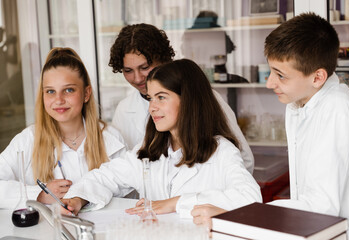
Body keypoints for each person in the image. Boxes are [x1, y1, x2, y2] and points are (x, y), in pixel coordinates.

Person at [191, 12, 349, 227]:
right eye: (271, 71)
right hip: (310, 227)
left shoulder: (336, 109)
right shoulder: (298, 101)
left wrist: (237, 214)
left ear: (317, 77)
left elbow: (321, 206)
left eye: (280, 75)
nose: (270, 83)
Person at [62, 59, 262, 217]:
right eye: (150, 98)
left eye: (161, 97)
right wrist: (78, 198)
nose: (152, 107)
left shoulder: (221, 151)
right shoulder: (151, 149)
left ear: (188, 100)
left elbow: (250, 198)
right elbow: (107, 177)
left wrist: (176, 203)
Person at [109, 23, 255, 173]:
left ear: (164, 59)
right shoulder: (124, 109)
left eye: (145, 68)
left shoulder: (203, 98)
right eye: (128, 70)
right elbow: (120, 168)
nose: (138, 78)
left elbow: (244, 161)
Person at [0, 47, 127, 209]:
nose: (58, 100)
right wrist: (38, 194)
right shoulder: (28, 139)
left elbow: (129, 189)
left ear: (86, 94)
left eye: (68, 90)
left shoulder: (111, 138)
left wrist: (84, 196)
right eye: (50, 91)